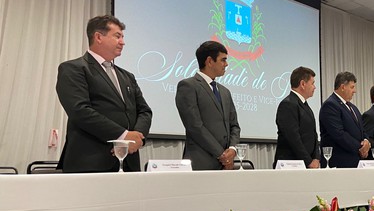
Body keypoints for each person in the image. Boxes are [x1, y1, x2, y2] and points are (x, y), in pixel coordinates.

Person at [56, 15, 152, 173]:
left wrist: (136, 138)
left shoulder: (127, 76)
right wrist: (123, 136)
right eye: (117, 36)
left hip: (129, 162)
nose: (123, 42)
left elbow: (144, 111)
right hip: (91, 162)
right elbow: (80, 111)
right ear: (98, 37)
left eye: (123, 37)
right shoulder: (74, 69)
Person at [175, 41, 240, 170]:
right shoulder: (188, 86)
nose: (226, 64)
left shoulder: (225, 92)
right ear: (209, 61)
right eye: (223, 60)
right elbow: (195, 126)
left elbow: (234, 125)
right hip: (201, 162)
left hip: (226, 164)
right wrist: (221, 154)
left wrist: (232, 150)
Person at [319, 71, 370, 168]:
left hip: (355, 161)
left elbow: (362, 129)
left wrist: (366, 141)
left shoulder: (353, 107)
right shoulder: (330, 105)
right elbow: (338, 134)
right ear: (342, 87)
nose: (354, 91)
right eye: (352, 87)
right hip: (339, 163)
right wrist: (360, 147)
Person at [273, 67, 320, 168]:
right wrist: (308, 161)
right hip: (291, 164)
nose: (315, 87)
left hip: (306, 164)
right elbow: (293, 138)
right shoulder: (288, 104)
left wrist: (316, 158)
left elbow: (313, 134)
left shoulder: (305, 105)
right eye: (312, 83)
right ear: (303, 84)